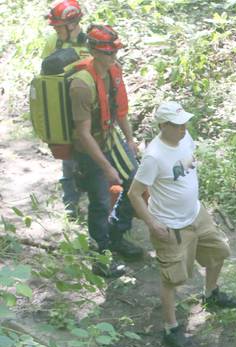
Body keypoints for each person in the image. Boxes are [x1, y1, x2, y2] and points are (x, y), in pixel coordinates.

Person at [128, 102, 236, 347]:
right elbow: (134, 194)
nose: (184, 128)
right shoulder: (154, 156)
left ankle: (211, 294)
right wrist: (152, 223)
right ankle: (171, 329)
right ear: (163, 126)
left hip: (196, 214)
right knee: (172, 279)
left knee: (218, 253)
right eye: (178, 125)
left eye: (184, 124)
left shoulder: (185, 137)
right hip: (171, 226)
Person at [69, 24, 144, 277]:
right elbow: (83, 133)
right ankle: (100, 258)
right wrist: (107, 167)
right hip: (89, 148)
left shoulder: (114, 71)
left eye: (115, 52)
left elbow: (120, 110)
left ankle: (116, 234)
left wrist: (130, 140)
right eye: (108, 52)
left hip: (111, 137)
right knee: (100, 201)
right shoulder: (81, 84)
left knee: (136, 184)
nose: (113, 56)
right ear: (94, 51)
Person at [42, 0, 89, 219]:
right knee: (67, 156)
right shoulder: (53, 42)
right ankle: (71, 202)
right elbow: (45, 78)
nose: (56, 31)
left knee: (91, 153)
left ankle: (97, 198)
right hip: (63, 108)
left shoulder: (90, 43)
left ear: (72, 24)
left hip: (88, 108)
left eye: (59, 27)